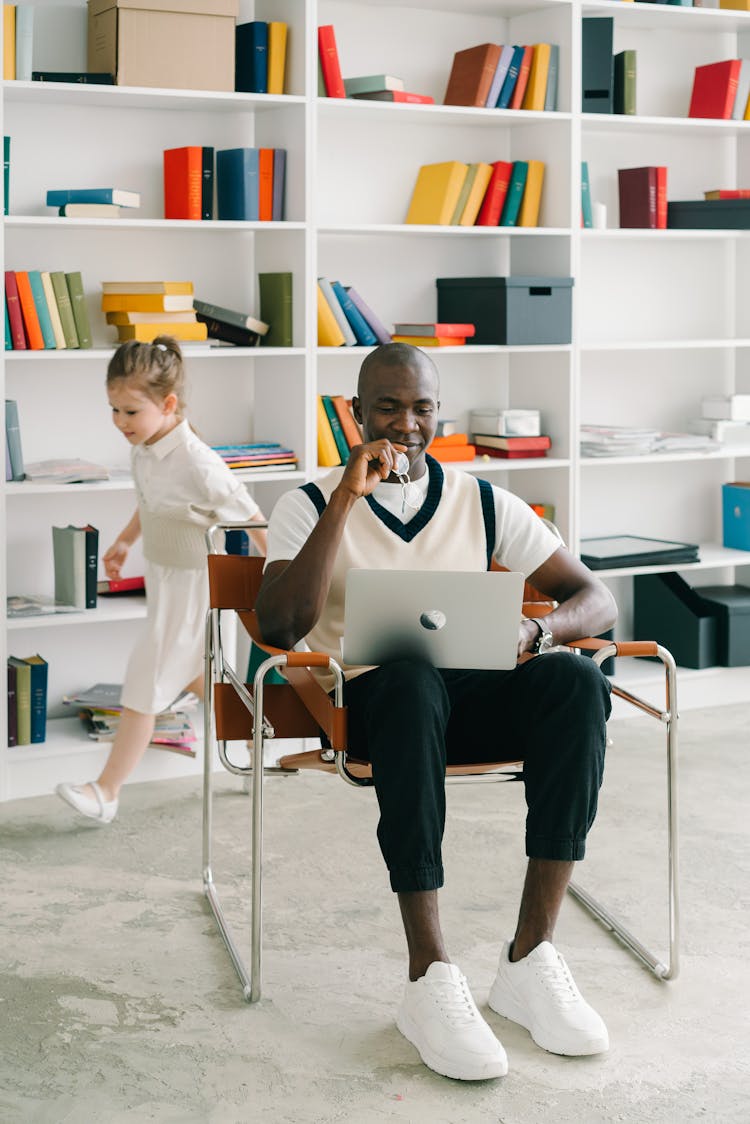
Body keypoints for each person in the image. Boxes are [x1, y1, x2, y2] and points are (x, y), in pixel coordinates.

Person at [255, 342, 618, 1082]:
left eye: (422, 407)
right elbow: (282, 626)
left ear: (438, 414)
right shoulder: (305, 503)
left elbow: (598, 599)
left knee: (577, 684)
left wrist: (534, 630)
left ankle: (530, 957)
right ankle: (430, 977)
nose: (407, 423)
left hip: (471, 699)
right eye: (387, 406)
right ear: (355, 414)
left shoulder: (483, 500)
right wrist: (345, 499)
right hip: (372, 708)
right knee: (413, 678)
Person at [56, 336, 267, 825]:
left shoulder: (198, 462)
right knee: (202, 677)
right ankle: (256, 749)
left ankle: (106, 792)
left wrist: (279, 576)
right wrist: (125, 542)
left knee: (146, 679)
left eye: (130, 411)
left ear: (168, 404)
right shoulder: (144, 449)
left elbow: (253, 519)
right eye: (113, 410)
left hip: (196, 587)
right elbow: (150, 502)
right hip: (163, 579)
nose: (119, 423)